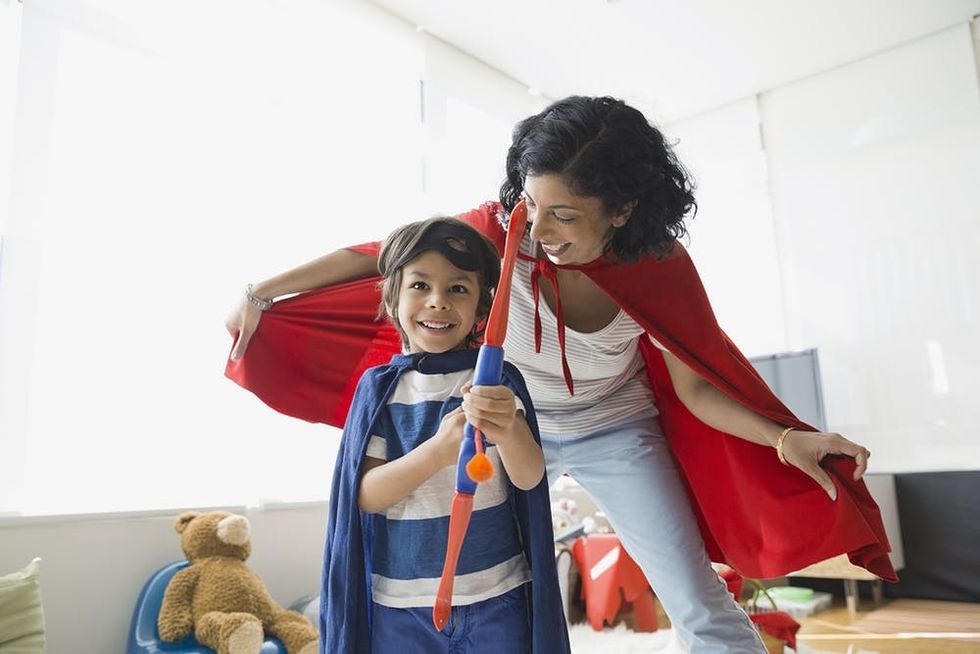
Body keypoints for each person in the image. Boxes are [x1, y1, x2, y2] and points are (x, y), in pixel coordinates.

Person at [226, 96, 895, 654]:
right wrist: (261, 293)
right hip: (510, 428)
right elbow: (381, 255)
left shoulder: (658, 265)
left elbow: (695, 385)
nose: (538, 228)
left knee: (696, 597)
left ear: (623, 211)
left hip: (616, 430)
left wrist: (783, 438)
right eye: (531, 204)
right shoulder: (500, 229)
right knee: (464, 576)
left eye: (564, 215)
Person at [320, 217, 570, 654]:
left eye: (458, 289)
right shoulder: (381, 391)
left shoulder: (496, 381)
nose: (437, 302)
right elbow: (366, 495)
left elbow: (529, 478)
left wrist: (508, 429)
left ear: (480, 308)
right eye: (420, 286)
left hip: (497, 595)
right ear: (393, 298)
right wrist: (439, 450)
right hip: (401, 607)